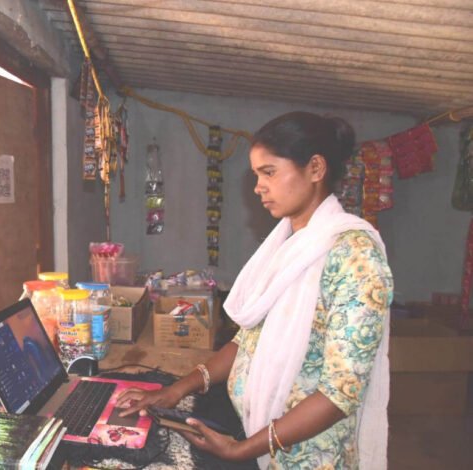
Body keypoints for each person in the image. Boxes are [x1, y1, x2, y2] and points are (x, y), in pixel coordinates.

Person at [118, 111, 393, 469]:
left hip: (308, 457)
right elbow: (247, 341)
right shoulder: (287, 245)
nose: (258, 187)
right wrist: (176, 390)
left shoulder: (356, 257)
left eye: (270, 172)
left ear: (315, 168)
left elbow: (340, 394)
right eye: (257, 175)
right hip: (259, 433)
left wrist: (240, 449)